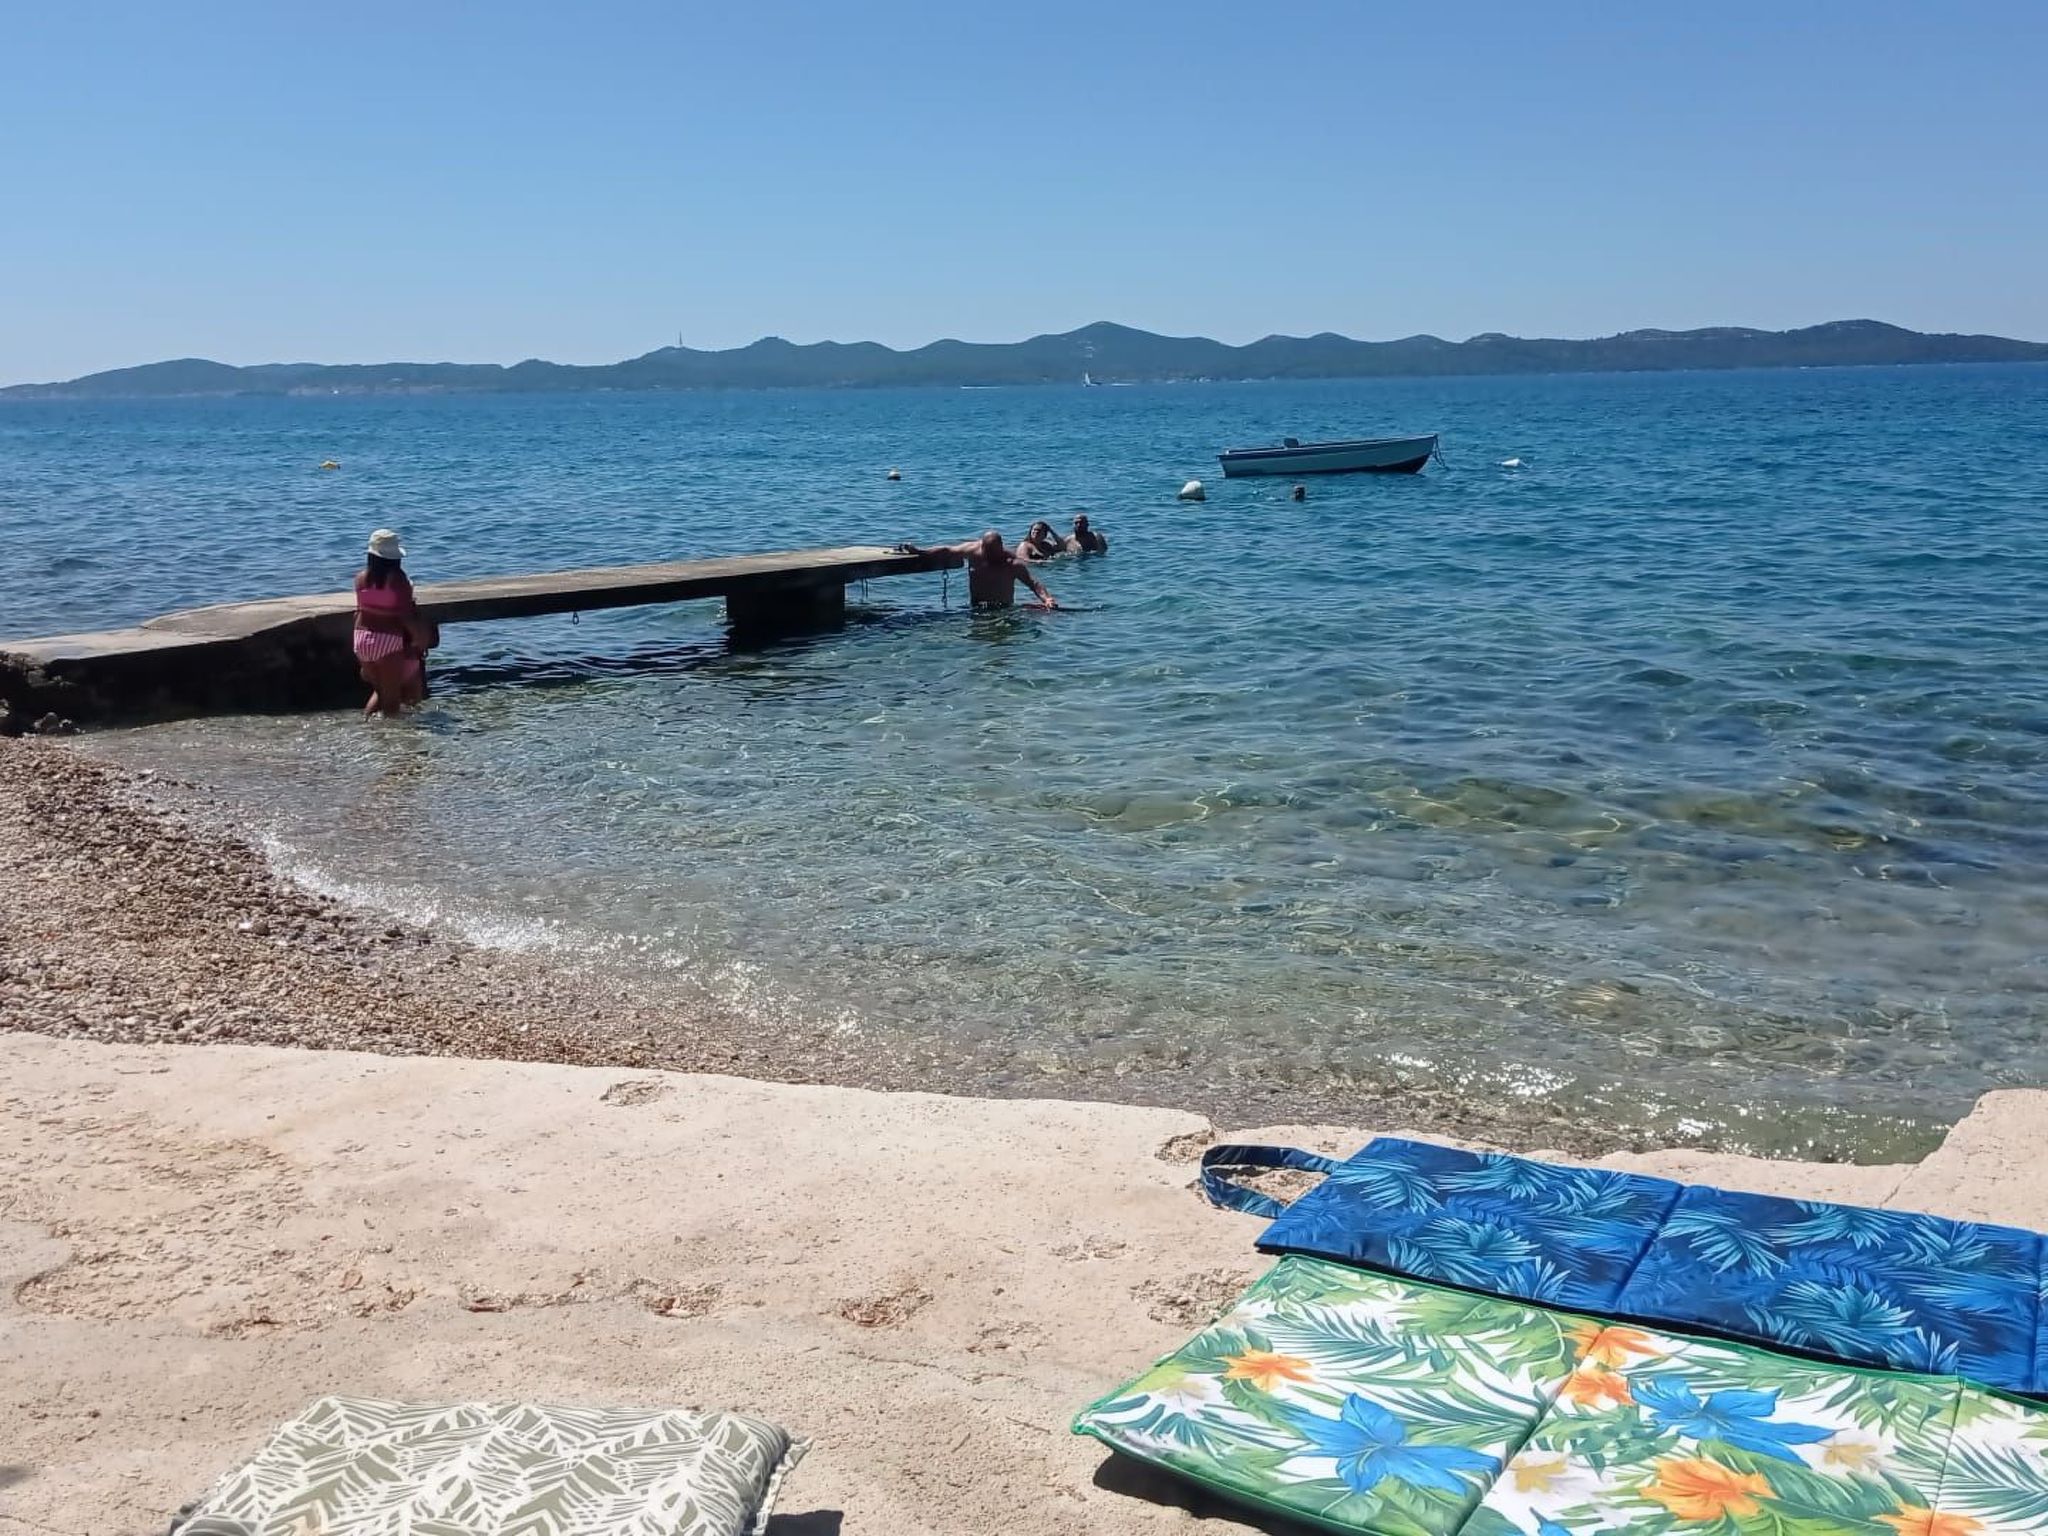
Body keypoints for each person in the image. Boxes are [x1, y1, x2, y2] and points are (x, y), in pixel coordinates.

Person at [353, 529, 433, 717]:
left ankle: (367, 730)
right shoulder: (398, 580)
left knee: (381, 693)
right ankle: (390, 743)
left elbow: (361, 610)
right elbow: (404, 616)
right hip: (387, 640)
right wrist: (419, 639)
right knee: (391, 701)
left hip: (361, 638)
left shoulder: (361, 579)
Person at [904, 530, 1059, 610]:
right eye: (987, 551)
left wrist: (1047, 599)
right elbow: (946, 550)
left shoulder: (1011, 563)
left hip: (1003, 609)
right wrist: (921, 552)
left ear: (1001, 548)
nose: (990, 556)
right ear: (982, 546)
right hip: (975, 607)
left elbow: (1034, 583)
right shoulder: (973, 550)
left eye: (994, 552)